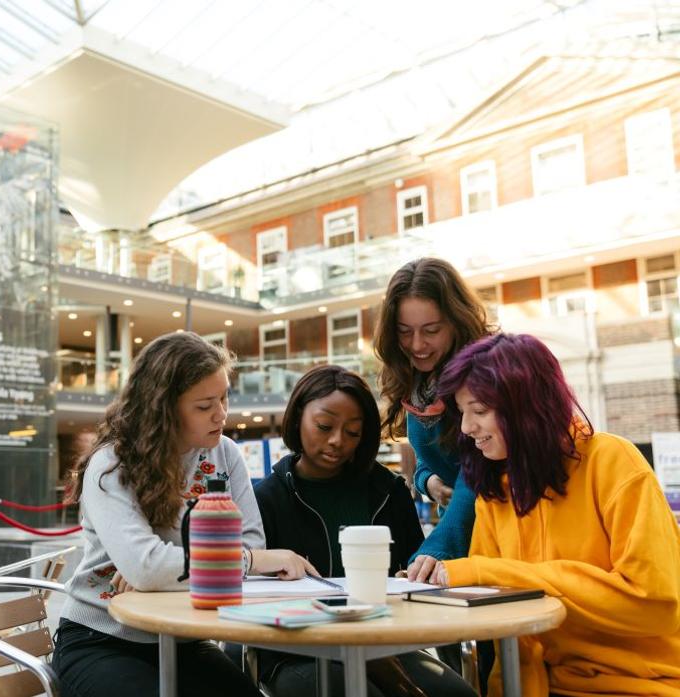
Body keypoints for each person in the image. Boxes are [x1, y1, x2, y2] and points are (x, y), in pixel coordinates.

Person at [54, 331, 317, 697]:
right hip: (101, 638)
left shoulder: (225, 454)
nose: (221, 414)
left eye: (224, 398)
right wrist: (249, 560)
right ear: (164, 407)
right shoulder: (111, 464)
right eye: (204, 405)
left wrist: (163, 567)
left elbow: (247, 539)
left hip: (183, 639)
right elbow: (149, 567)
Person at [426, 333, 680, 696]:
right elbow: (505, 627)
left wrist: (485, 571)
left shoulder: (613, 462)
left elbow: (654, 604)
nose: (466, 428)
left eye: (479, 411)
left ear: (526, 408)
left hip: (643, 685)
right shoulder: (495, 489)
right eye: (462, 412)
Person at [253, 365, 475, 697]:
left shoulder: (388, 491)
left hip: (384, 643)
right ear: (298, 417)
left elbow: (415, 581)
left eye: (353, 432)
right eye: (324, 426)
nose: (337, 441)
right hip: (295, 650)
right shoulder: (268, 498)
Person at [372, 258, 491, 577]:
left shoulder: (484, 376)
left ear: (457, 321)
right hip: (458, 536)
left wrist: (433, 552)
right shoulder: (416, 383)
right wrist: (431, 482)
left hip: (491, 541)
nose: (417, 345)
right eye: (404, 332)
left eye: (431, 330)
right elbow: (433, 461)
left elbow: (476, 471)